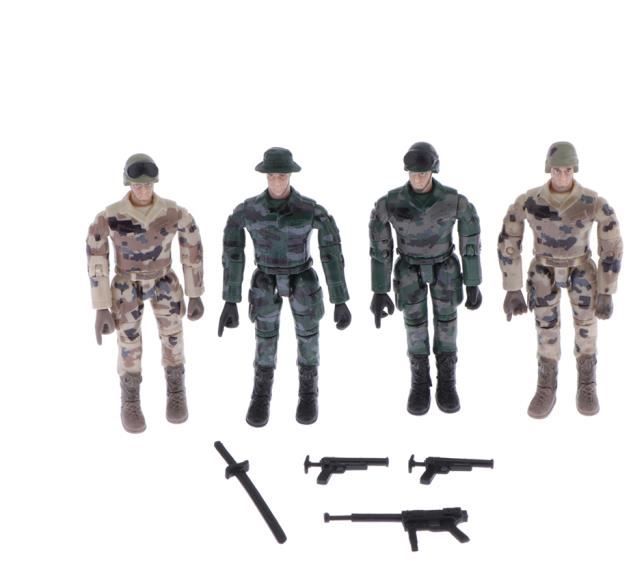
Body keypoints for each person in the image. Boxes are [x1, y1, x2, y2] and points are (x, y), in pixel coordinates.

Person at [218, 147, 351, 427]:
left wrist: (340, 299)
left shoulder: (308, 210)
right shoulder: (249, 211)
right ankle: (261, 394)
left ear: (290, 175)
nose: (277, 182)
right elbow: (233, 250)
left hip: (302, 277)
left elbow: (331, 252)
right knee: (265, 338)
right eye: (272, 176)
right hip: (265, 279)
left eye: (282, 176)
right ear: (265, 176)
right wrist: (231, 299)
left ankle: (308, 392)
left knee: (308, 336)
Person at [498, 141, 623, 417]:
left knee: (586, 326)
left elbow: (611, 244)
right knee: (546, 328)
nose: (563, 177)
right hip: (544, 271)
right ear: (549, 170)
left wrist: (607, 289)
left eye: (568, 170)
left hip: (581, 270)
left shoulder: (592, 201)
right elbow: (509, 239)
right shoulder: (530, 201)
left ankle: (587, 383)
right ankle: (546, 385)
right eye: (557, 170)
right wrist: (512, 287)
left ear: (574, 169)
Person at [87, 153, 204, 432]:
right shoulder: (110, 216)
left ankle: (176, 392)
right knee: (129, 342)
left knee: (173, 336)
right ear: (128, 184)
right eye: (137, 185)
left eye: (148, 184)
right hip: (127, 285)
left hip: (164, 280)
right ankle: (130, 400)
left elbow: (192, 247)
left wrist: (195, 293)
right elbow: (97, 260)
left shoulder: (172, 212)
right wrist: (101, 307)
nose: (143, 190)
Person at [369, 142, 483, 415]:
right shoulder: (391, 203)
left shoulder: (453, 201)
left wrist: (473, 282)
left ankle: (447, 381)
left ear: (433, 171)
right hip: (409, 269)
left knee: (447, 325)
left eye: (422, 173)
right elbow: (380, 248)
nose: (418, 178)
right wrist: (380, 290)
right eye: (413, 173)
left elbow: (470, 242)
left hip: (445, 268)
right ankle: (419, 381)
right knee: (414, 327)